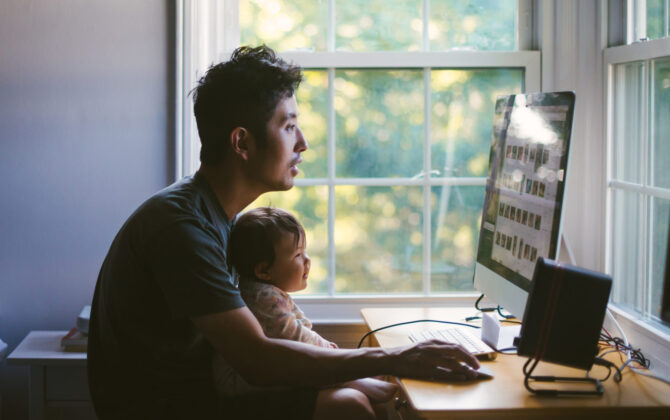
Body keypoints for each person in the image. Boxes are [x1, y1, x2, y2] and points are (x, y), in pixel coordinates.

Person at [87, 45, 480, 420]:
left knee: (367, 395)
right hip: (166, 411)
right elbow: (257, 360)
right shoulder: (182, 228)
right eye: (289, 126)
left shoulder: (215, 216)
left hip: (199, 394)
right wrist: (395, 358)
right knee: (349, 407)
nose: (303, 143)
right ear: (242, 142)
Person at [213, 207, 398, 417]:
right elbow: (298, 340)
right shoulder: (264, 299)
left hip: (259, 377)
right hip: (241, 387)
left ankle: (350, 379)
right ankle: (349, 379)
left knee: (378, 408)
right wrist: (338, 357)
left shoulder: (266, 293)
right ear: (264, 270)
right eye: (298, 255)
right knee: (352, 400)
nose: (307, 261)